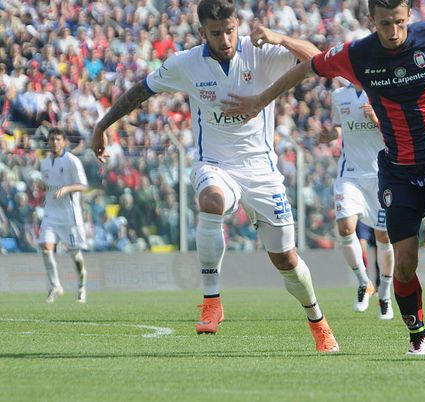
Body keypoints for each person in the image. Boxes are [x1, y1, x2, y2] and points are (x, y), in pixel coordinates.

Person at [221, 0, 425, 355]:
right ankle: (418, 335)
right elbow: (308, 66)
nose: (393, 32)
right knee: (404, 262)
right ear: (371, 21)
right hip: (398, 171)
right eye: (384, 25)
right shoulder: (357, 54)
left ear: (409, 16)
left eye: (398, 22)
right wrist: (259, 100)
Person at [91, 0, 339, 353]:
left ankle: (318, 322)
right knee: (211, 201)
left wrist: (281, 38)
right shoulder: (186, 63)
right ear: (201, 32)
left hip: (262, 171)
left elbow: (320, 60)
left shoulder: (261, 53)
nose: (224, 39)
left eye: (229, 30)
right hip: (215, 165)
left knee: (285, 259)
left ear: (238, 24)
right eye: (215, 33)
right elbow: (141, 91)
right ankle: (212, 301)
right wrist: (102, 126)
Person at [319, 82, 394, 319]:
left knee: (384, 236)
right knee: (345, 227)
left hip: (380, 175)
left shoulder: (383, 90)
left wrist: (377, 121)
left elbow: (396, 131)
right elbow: (341, 128)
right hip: (350, 173)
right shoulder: (339, 95)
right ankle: (364, 283)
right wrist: (331, 135)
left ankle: (385, 293)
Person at [40, 128, 89, 303]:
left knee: (75, 254)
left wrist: (67, 188)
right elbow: (46, 186)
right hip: (50, 214)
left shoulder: (72, 161)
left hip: (69, 215)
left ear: (64, 142)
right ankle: (55, 286)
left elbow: (83, 185)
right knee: (46, 248)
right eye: (52, 139)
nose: (54, 142)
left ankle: (82, 286)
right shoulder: (44, 163)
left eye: (58, 139)